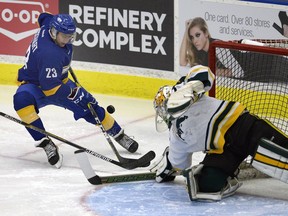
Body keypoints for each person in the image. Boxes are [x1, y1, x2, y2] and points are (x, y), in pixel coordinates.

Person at [13, 12, 138, 169]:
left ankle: (119, 134)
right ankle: (46, 143)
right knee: (21, 101)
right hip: (37, 86)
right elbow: (50, 89)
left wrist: (79, 95)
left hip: (58, 81)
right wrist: (75, 94)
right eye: (64, 36)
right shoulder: (50, 54)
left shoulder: (49, 24)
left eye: (70, 36)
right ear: (54, 32)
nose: (67, 40)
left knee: (90, 107)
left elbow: (42, 16)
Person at [152, 65, 288, 201]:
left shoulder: (187, 91)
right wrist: (167, 168)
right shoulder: (176, 136)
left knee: (283, 153)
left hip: (244, 128)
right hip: (224, 151)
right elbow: (179, 164)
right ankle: (230, 177)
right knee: (203, 186)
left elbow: (205, 72)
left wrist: (190, 90)